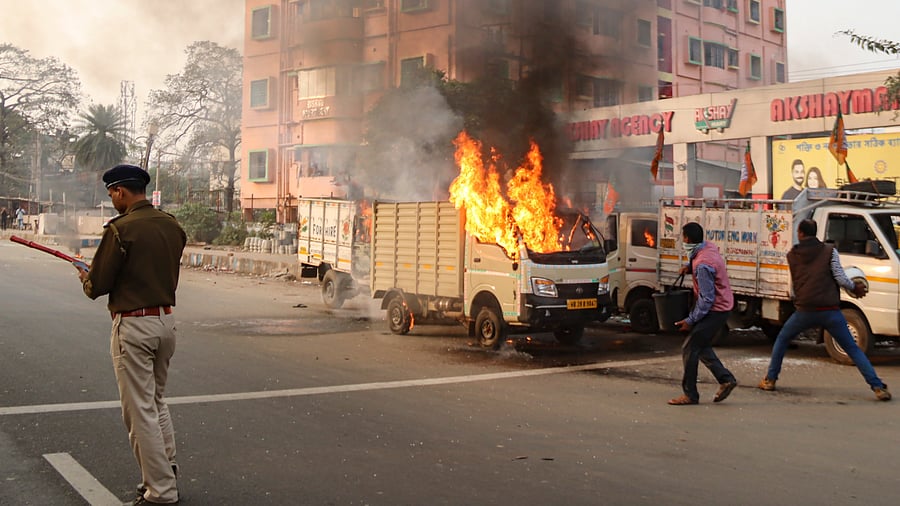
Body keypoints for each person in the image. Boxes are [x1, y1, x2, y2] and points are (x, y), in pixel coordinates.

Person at [76, 164, 187, 504]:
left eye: (111, 193)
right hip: (165, 321)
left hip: (135, 325)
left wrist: (85, 275)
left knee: (139, 410)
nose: (111, 199)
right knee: (155, 401)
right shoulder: (172, 226)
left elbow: (98, 286)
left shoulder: (120, 230)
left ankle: (161, 491)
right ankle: (165, 471)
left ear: (121, 191)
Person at [758, 219, 891, 401]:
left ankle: (770, 379)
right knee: (852, 348)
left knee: (782, 340)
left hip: (805, 310)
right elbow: (840, 277)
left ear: (800, 233)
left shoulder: (792, 255)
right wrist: (854, 288)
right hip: (830, 310)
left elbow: (797, 282)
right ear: (816, 232)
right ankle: (877, 387)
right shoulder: (829, 251)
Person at [668, 222, 739, 405]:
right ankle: (726, 379)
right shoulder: (707, 248)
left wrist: (690, 320)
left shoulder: (702, 265)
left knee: (690, 348)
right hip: (722, 305)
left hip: (716, 309)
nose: (682, 241)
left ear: (688, 239)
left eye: (683, 237)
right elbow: (698, 260)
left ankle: (690, 394)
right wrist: (688, 267)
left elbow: (707, 299)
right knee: (700, 345)